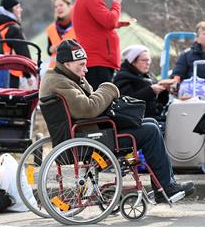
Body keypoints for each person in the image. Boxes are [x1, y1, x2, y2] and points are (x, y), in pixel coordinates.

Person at [39, 39, 195, 203]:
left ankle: (165, 186)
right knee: (151, 131)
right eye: (81, 65)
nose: (85, 69)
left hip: (90, 132)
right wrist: (109, 88)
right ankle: (166, 188)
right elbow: (88, 108)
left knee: (151, 123)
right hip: (90, 138)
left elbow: (89, 105)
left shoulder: (65, 77)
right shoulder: (59, 82)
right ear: (67, 63)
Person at [72, 0, 133, 90]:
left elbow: (96, 23)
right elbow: (109, 22)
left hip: (97, 61)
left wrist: (119, 23)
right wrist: (116, 3)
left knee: (102, 99)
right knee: (103, 100)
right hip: (98, 61)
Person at [159, 21, 205, 90]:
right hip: (194, 98)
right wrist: (173, 83)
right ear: (197, 38)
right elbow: (178, 76)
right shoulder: (186, 55)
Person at [113, 44, 169, 120]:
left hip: (156, 116)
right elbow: (127, 101)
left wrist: (164, 90)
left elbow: (161, 102)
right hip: (139, 120)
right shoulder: (122, 76)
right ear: (133, 62)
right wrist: (151, 90)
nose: (148, 63)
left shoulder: (148, 75)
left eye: (148, 60)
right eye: (144, 60)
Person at [0, 0, 31, 88]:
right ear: (11, 10)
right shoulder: (13, 28)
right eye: (18, 7)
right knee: (11, 101)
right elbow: (23, 51)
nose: (21, 9)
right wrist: (28, 74)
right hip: (11, 72)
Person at [45, 0, 76, 69]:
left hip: (75, 68)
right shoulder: (51, 28)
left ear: (70, 6)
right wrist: (51, 49)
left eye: (61, 5)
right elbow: (49, 50)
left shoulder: (78, 24)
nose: (58, 8)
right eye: (56, 7)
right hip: (55, 71)